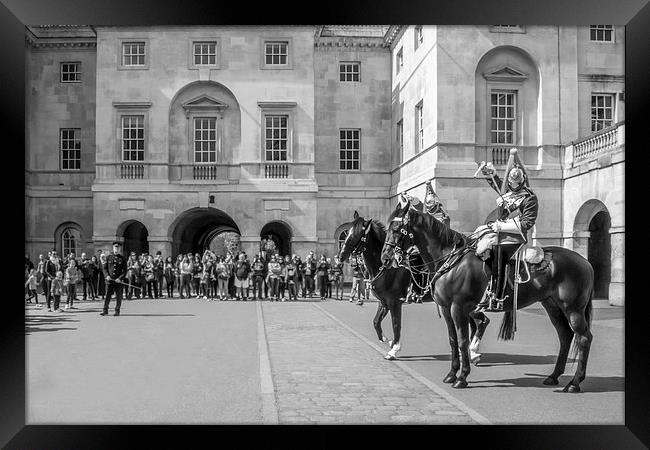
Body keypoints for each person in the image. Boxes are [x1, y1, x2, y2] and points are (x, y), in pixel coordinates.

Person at [473, 151, 539, 312]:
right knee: (478, 243)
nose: (513, 186)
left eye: (516, 184)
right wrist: (490, 172)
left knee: (499, 256)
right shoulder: (508, 193)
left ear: (522, 181)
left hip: (516, 237)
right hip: (499, 234)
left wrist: (501, 226)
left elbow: (527, 223)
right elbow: (497, 184)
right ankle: (485, 289)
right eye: (511, 183)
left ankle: (498, 297)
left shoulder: (529, 198)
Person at [101, 241, 127, 316]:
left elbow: (124, 271)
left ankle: (117, 310)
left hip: (118, 281)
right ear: (113, 248)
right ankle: (105, 310)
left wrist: (120, 278)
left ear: (120, 249)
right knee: (108, 296)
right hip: (109, 280)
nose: (117, 248)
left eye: (118, 247)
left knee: (118, 296)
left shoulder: (122, 259)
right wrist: (107, 276)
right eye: (115, 247)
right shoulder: (108, 257)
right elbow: (104, 268)